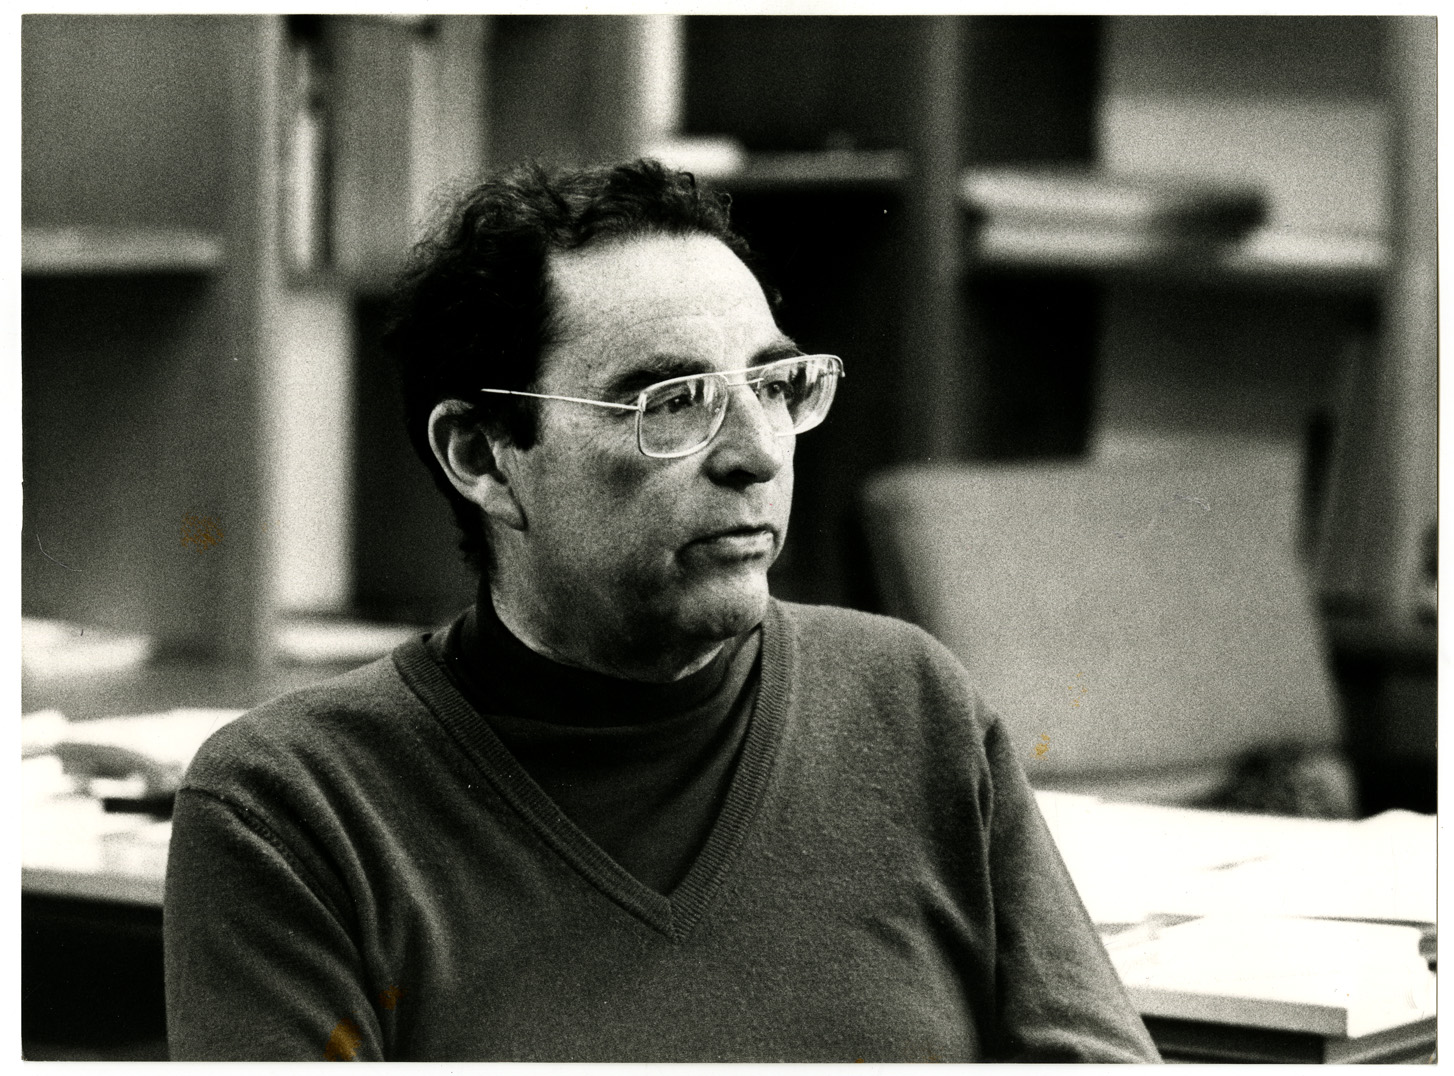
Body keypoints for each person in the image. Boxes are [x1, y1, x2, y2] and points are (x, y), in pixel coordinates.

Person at [163, 158, 1159, 1063]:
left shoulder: (910, 704)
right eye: (673, 402)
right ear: (482, 455)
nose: (757, 454)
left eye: (773, 385)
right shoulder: (292, 805)